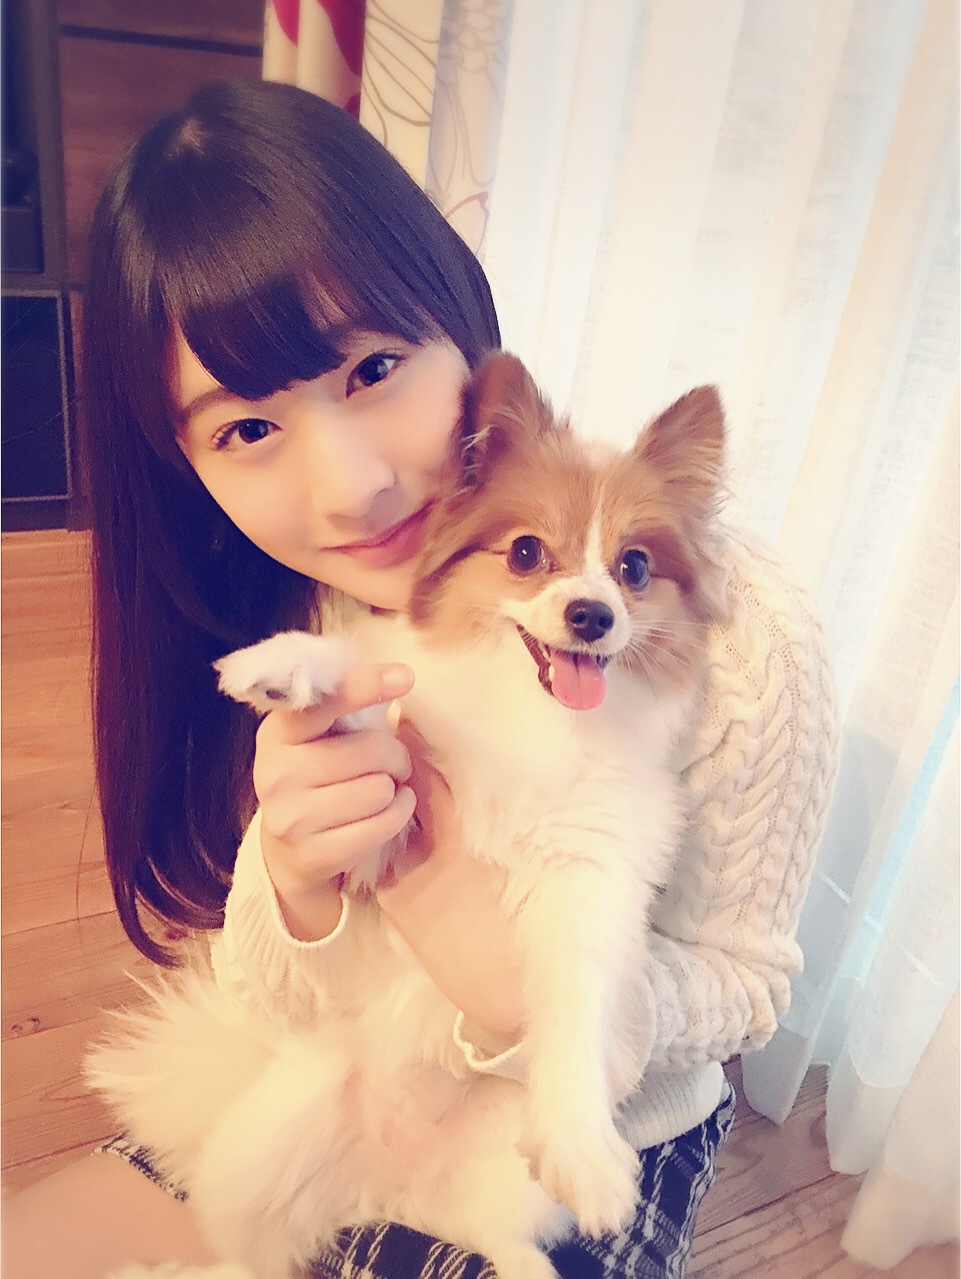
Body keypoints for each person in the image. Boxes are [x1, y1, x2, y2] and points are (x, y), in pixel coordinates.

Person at [2, 80, 837, 1279]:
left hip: (596, 1118)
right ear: (180, 467)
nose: (351, 488)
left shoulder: (741, 637)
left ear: (460, 320)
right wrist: (294, 881)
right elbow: (277, 1001)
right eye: (247, 428)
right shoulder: (297, 606)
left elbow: (746, 984)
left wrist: (523, 994)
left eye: (373, 368)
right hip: (357, 1065)